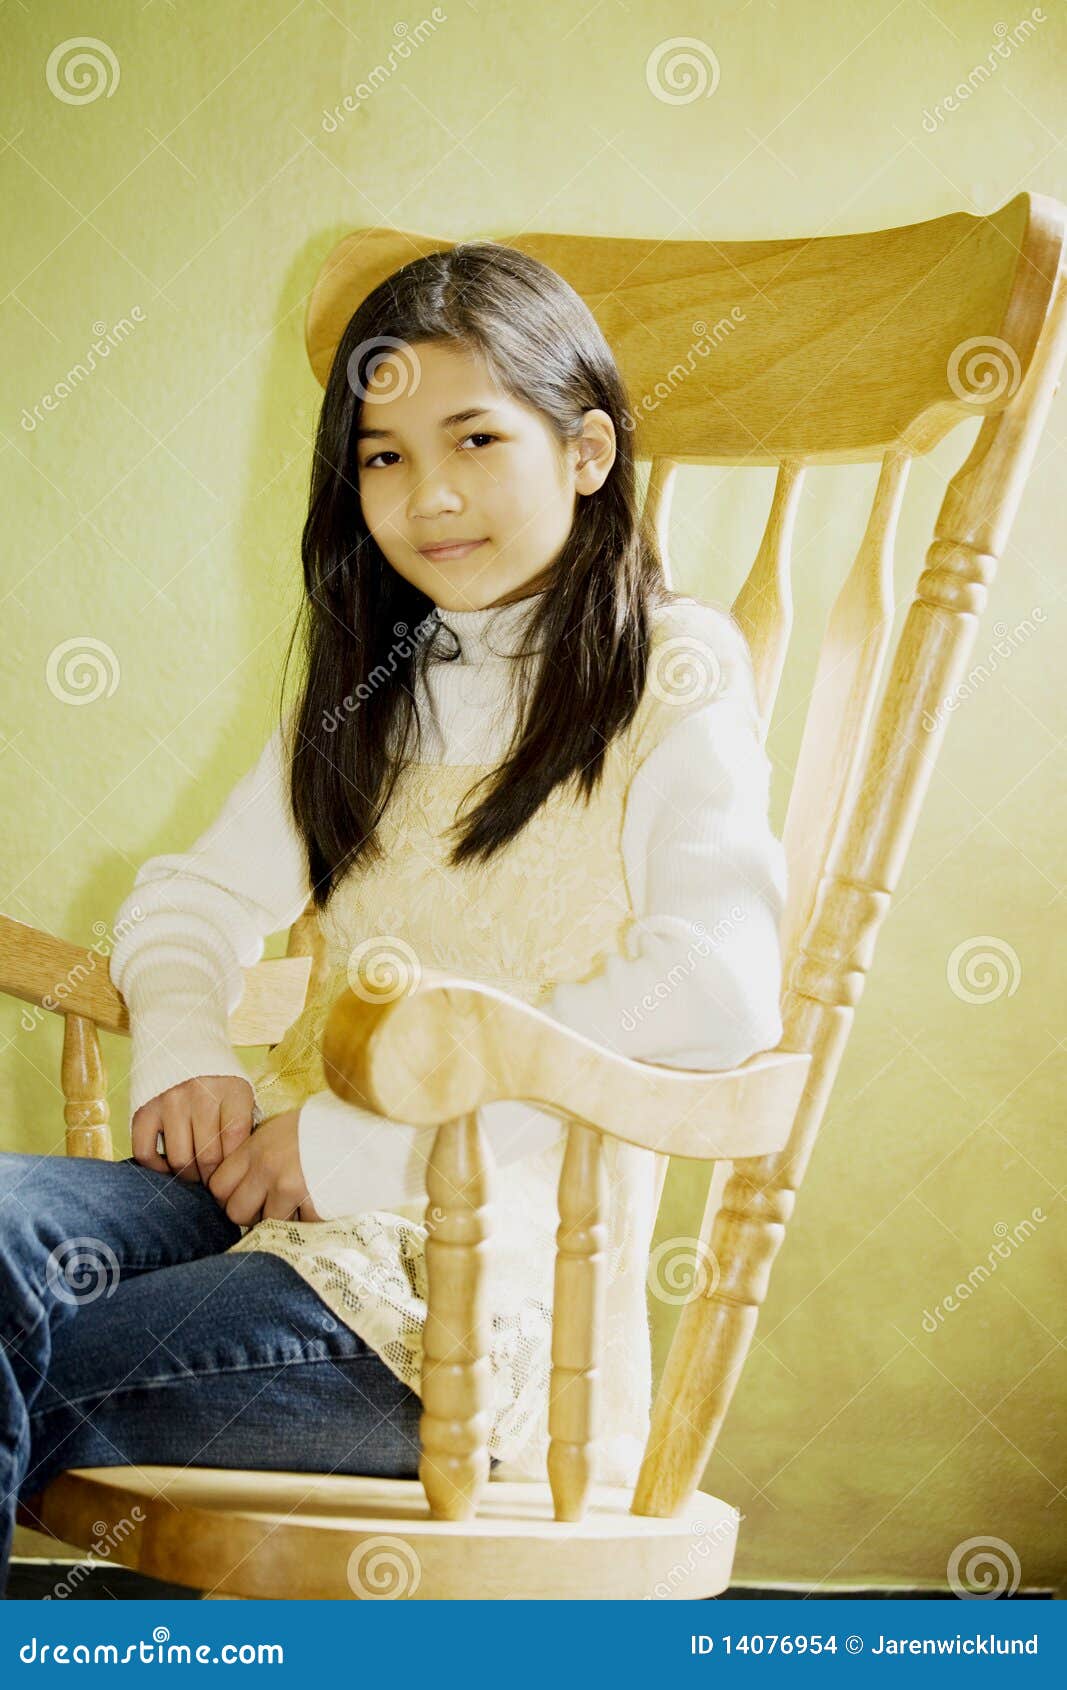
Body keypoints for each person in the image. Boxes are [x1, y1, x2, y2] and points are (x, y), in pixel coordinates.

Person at [1, 241, 788, 1596]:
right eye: (381, 456)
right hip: (273, 1213)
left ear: (587, 449)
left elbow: (717, 988)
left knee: (32, 1355)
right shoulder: (384, 682)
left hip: (475, 1335)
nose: (427, 496)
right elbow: (194, 894)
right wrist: (185, 1039)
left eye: (476, 438)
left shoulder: (675, 671)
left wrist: (370, 1143)